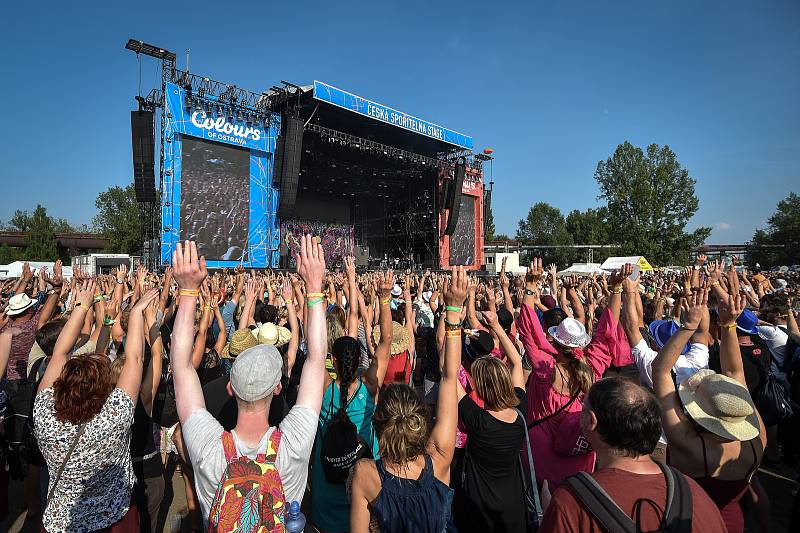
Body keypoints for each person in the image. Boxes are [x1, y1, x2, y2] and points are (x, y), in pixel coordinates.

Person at [170, 237, 327, 530]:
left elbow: (180, 367)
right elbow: (317, 360)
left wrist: (188, 292)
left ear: (230, 387)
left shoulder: (207, 448)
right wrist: (314, 289)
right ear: (277, 388)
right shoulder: (293, 444)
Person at [34, 280, 159, 532]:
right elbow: (135, 358)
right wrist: (136, 313)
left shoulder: (44, 414)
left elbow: (59, 353)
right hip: (114, 520)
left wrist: (81, 306)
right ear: (103, 390)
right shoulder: (113, 416)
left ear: (61, 383)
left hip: (62, 522)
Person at [349, 266, 467, 532]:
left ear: (379, 427)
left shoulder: (366, 475)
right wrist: (453, 312)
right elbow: (450, 377)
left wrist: (382, 298)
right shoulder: (439, 458)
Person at [539, 376, 727, 532]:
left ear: (591, 421)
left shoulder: (571, 503)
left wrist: (551, 517)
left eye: (583, 407)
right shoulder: (692, 493)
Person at [652, 288, 766, 533]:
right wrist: (729, 325)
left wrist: (688, 327)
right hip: (733, 521)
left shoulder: (689, 446)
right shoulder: (757, 438)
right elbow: (735, 374)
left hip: (692, 521)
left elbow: (661, 371)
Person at [517, 258, 623, 488]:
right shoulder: (592, 368)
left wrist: (530, 288)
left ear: (555, 340)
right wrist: (616, 291)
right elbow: (607, 334)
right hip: (579, 465)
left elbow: (529, 331)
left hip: (541, 461)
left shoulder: (546, 369)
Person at [310, 260, 392, 533]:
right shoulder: (369, 389)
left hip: (325, 505)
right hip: (364, 501)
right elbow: (386, 341)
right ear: (361, 362)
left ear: (332, 360)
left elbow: (316, 347)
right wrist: (383, 298)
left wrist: (314, 292)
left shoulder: (323, 388)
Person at [453, 310, 528, 533]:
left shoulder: (477, 419)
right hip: (514, 508)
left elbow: (449, 372)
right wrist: (496, 326)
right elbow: (516, 361)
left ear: (481, 389)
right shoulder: (520, 411)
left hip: (479, 510)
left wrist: (452, 318)